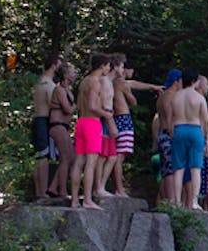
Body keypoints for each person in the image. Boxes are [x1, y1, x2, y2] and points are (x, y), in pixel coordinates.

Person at [102, 53, 163, 198]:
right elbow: (133, 101)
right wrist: (129, 95)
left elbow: (135, 84)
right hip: (124, 119)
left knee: (114, 155)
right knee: (119, 156)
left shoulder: (111, 82)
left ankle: (116, 187)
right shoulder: (121, 84)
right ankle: (119, 189)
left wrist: (153, 87)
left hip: (115, 120)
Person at [71, 53, 116, 210]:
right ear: (102, 66)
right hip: (92, 123)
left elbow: (78, 104)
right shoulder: (95, 82)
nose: (108, 68)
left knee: (78, 162)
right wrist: (107, 114)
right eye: (107, 65)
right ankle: (88, 199)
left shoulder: (83, 81)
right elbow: (92, 106)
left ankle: (75, 199)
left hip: (81, 122)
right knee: (91, 162)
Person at [170, 69, 208, 210]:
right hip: (195, 130)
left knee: (178, 168)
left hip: (179, 129)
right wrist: (207, 138)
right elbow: (206, 120)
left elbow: (171, 118)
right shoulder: (199, 98)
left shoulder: (175, 96)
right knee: (196, 168)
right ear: (194, 81)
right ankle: (193, 201)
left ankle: (177, 201)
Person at [31, 56, 61, 199]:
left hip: (37, 119)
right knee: (43, 156)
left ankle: (39, 191)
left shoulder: (39, 81)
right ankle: (43, 193)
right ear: (54, 65)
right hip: (44, 120)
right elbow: (52, 102)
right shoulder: (49, 83)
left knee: (39, 156)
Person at [46, 64, 77, 202]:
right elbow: (68, 109)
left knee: (71, 157)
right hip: (57, 125)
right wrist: (78, 105)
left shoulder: (68, 90)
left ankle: (53, 187)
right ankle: (62, 191)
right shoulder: (59, 89)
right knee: (65, 157)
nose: (75, 74)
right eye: (72, 72)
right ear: (65, 75)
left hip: (64, 127)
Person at [155, 69, 182, 203]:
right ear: (176, 81)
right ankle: (171, 201)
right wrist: (174, 135)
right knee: (171, 170)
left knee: (166, 170)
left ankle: (166, 200)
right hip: (169, 134)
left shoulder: (162, 96)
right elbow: (170, 117)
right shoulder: (171, 96)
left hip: (162, 134)